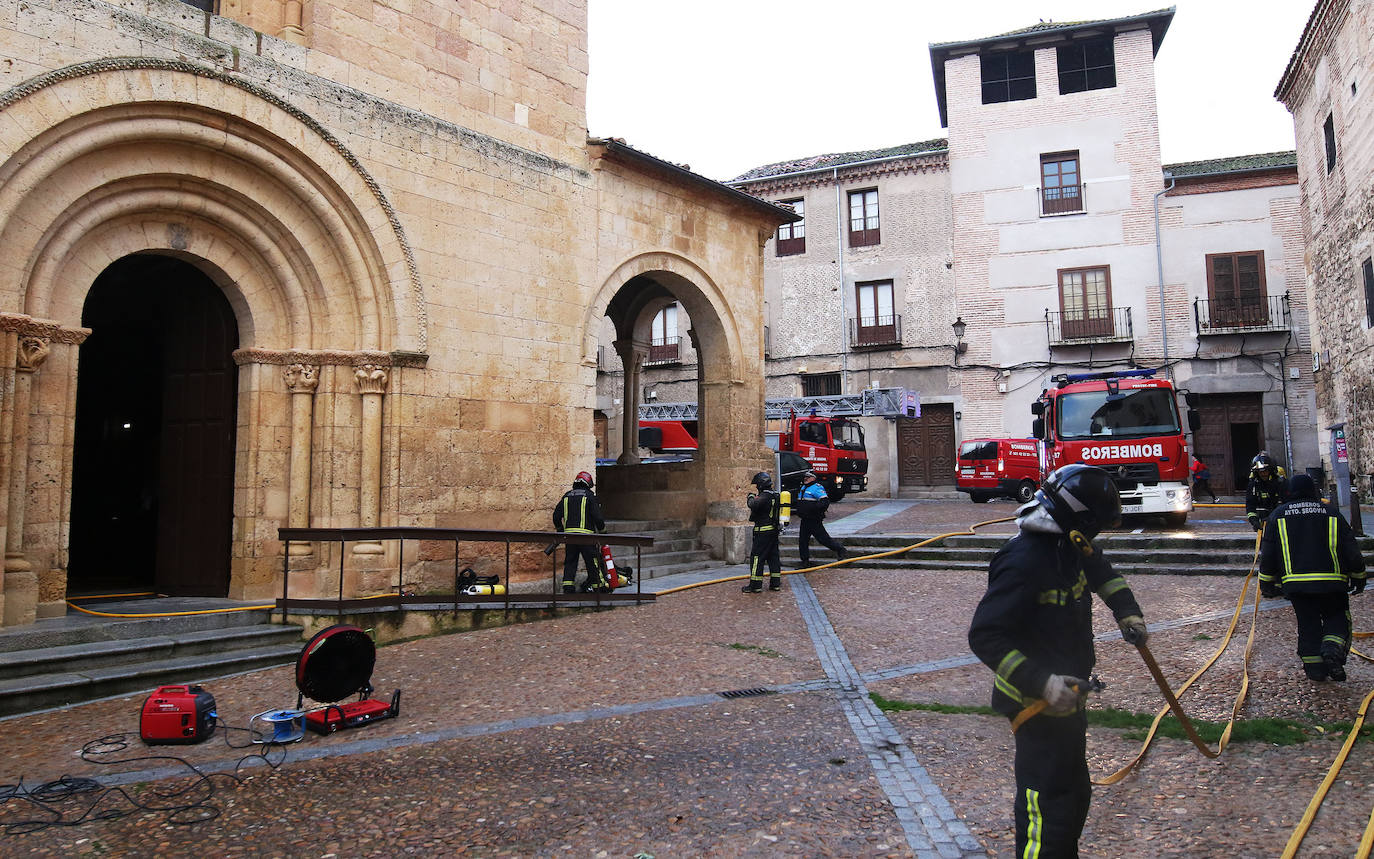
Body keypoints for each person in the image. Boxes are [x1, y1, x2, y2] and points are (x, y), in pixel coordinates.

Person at [968, 464, 1148, 859]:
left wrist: (1126, 610)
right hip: (1034, 703)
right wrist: (1043, 683)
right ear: (1081, 518)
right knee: (1044, 806)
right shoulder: (1025, 561)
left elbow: (1101, 569)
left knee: (1070, 798)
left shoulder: (1069, 543)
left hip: (1066, 698)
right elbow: (984, 636)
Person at [1258, 473, 1366, 681]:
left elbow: (1269, 554)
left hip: (1297, 585)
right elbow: (1350, 548)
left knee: (1308, 625)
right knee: (1337, 619)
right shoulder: (1331, 513)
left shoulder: (1278, 515)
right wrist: (1359, 576)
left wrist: (1267, 583)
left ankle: (1315, 670)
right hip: (1333, 583)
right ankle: (1333, 649)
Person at [553, 470, 607, 594]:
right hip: (586, 537)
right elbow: (598, 518)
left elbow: (556, 516)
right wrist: (603, 531)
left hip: (569, 537)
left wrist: (560, 530)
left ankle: (568, 589)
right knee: (592, 562)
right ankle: (599, 588)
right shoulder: (590, 496)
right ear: (588, 483)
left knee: (570, 562)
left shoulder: (566, 496)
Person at [796, 471, 847, 567]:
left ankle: (840, 549)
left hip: (814, 519)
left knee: (823, 539)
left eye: (808, 477)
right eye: (805, 477)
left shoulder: (817, 488)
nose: (805, 478)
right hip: (805, 519)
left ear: (813, 478)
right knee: (803, 541)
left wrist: (813, 509)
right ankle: (805, 561)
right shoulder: (803, 487)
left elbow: (824, 502)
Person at [743, 470, 782, 593]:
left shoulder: (764, 496)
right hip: (773, 531)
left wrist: (750, 496)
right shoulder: (776, 495)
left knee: (756, 558)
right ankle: (775, 584)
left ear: (760, 484)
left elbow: (752, 504)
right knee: (773, 558)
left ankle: (755, 585)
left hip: (762, 532)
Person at [1245, 451, 1286, 531]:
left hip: (1280, 523)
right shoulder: (1253, 485)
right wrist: (1254, 520)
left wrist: (1272, 517)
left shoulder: (1280, 484)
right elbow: (1250, 505)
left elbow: (1285, 504)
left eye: (1265, 471)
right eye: (1260, 472)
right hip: (1263, 524)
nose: (1263, 474)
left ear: (1271, 470)